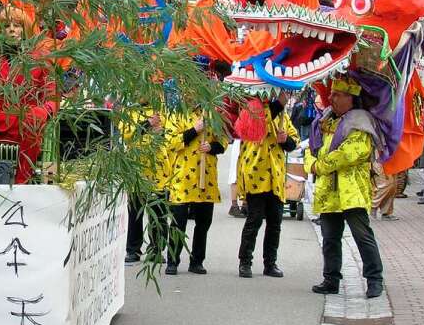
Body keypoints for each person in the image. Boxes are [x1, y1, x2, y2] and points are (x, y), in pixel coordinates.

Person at [307, 77, 385, 299]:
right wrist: (311, 164)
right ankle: (331, 279)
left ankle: (374, 279)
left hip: (352, 191)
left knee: (362, 236)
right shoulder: (324, 121)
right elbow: (311, 151)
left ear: (351, 98)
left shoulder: (361, 122)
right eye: (332, 94)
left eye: (337, 94)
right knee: (330, 237)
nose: (330, 98)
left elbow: (350, 153)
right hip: (329, 191)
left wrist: (318, 166)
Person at [0, 6, 56, 184]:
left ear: (25, 29)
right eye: (6, 25)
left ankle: (21, 183)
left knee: (34, 120)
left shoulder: (40, 58)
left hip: (23, 120)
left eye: (17, 25)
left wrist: (43, 111)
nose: (11, 29)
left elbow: (53, 99)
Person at [235, 93, 297, 278]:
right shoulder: (252, 109)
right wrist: (279, 103)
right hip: (256, 173)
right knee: (254, 220)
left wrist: (286, 140)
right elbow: (261, 120)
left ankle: (270, 263)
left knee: (275, 223)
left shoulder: (283, 116)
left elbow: (294, 142)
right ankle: (245, 262)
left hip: (276, 177)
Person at [164, 108, 227, 275]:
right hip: (183, 178)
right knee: (178, 222)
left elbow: (224, 142)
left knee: (204, 222)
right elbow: (171, 142)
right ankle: (172, 260)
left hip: (206, 177)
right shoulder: (176, 113)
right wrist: (195, 130)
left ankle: (197, 260)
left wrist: (212, 146)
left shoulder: (213, 114)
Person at [120, 105, 169, 263]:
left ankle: (156, 249)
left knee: (158, 212)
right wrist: (147, 123)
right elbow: (128, 135)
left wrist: (161, 132)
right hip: (137, 168)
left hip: (158, 169)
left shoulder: (163, 110)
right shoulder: (129, 112)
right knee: (135, 212)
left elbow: (173, 136)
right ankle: (133, 249)